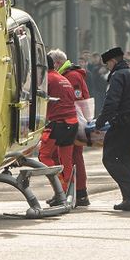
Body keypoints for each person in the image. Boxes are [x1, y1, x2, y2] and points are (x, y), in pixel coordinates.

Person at [94, 46, 130, 211]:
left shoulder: (117, 76)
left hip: (123, 123)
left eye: (107, 64)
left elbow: (112, 101)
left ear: (112, 61)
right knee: (124, 159)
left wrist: (100, 122)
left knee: (109, 158)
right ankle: (129, 200)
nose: (107, 68)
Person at [39, 50, 79, 206]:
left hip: (58, 123)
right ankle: (70, 194)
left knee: (43, 157)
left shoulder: (46, 79)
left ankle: (60, 190)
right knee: (66, 161)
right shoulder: (62, 78)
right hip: (71, 123)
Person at [57, 52, 91, 207]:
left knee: (73, 157)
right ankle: (77, 192)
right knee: (74, 157)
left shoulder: (71, 76)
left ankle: (78, 192)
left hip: (72, 120)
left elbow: (77, 99)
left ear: (58, 63)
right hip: (74, 119)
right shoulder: (70, 74)